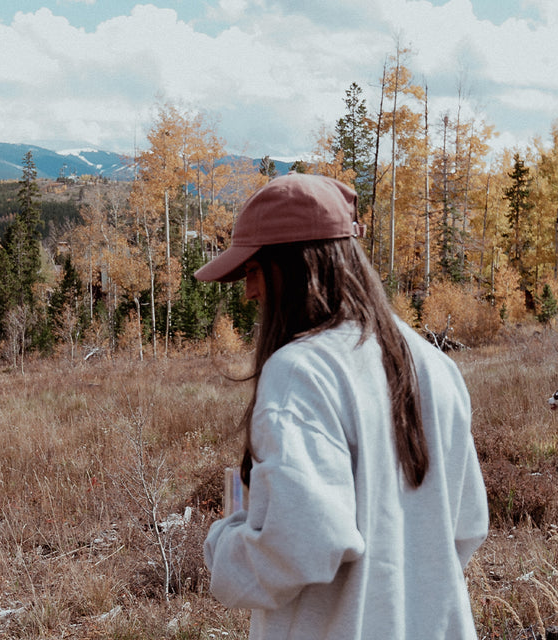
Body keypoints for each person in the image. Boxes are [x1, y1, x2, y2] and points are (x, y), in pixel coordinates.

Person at [197, 172, 488, 639]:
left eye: (252, 271)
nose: (249, 292)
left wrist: (224, 543)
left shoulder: (299, 372)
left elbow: (300, 545)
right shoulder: (432, 364)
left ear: (292, 268)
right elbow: (467, 527)